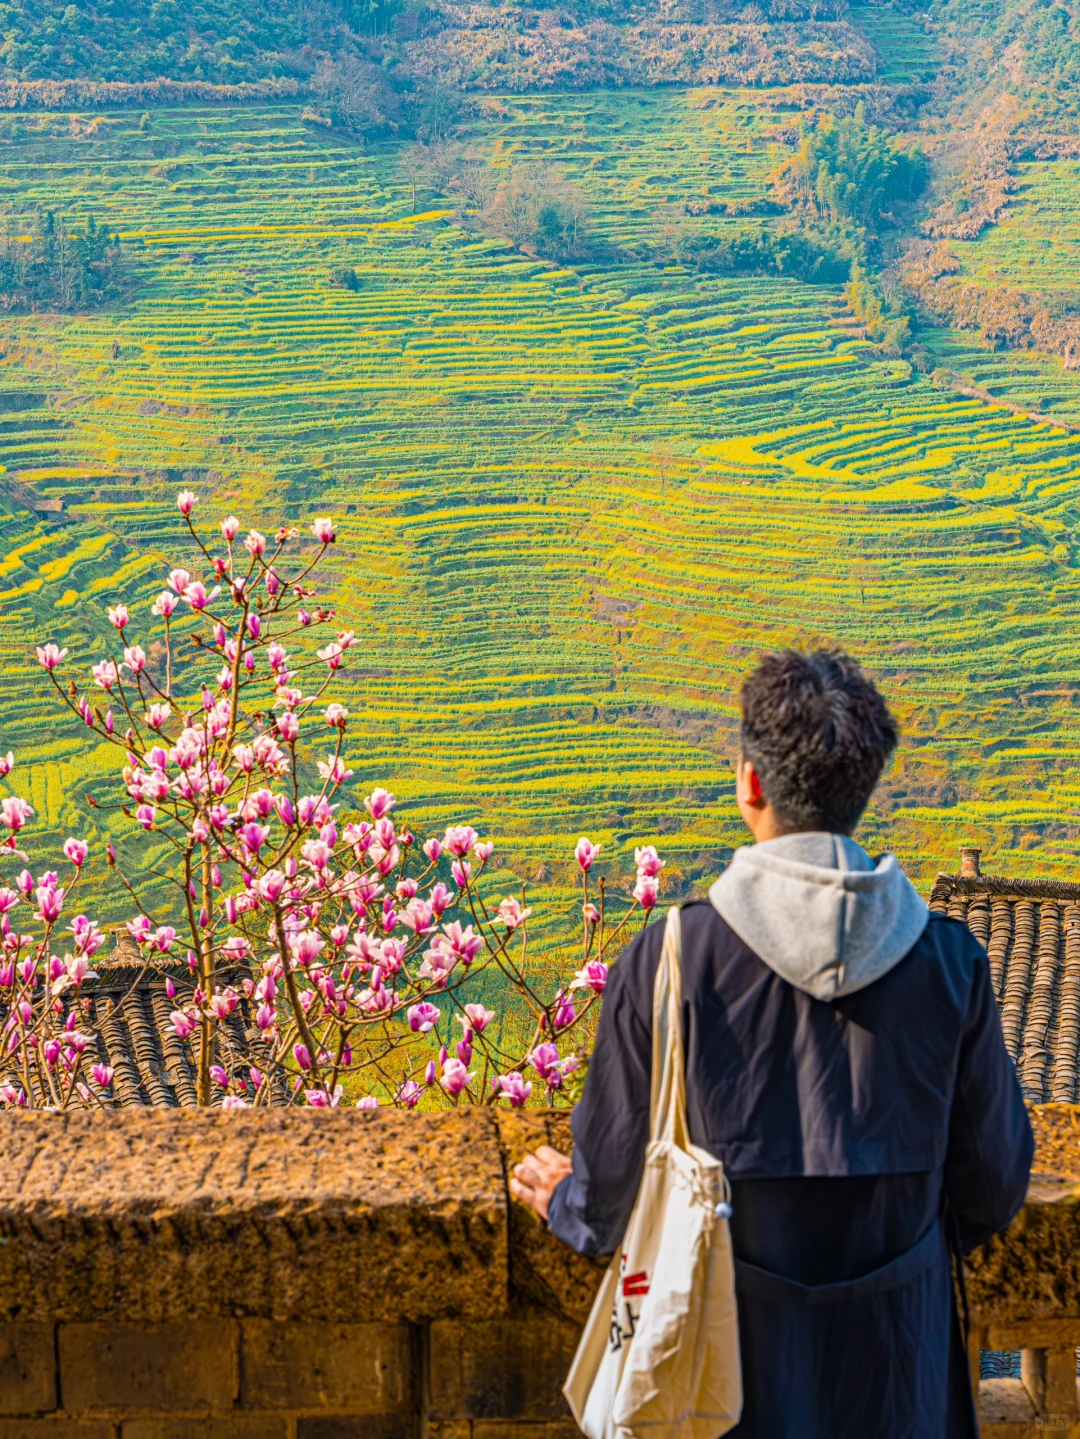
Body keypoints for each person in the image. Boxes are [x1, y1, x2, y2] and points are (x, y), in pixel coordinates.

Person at [511, 648, 1032, 1439]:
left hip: (722, 1387)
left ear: (749, 781)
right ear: (863, 787)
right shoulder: (948, 964)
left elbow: (611, 1193)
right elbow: (990, 1189)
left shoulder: (669, 961)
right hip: (899, 1379)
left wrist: (567, 1202)